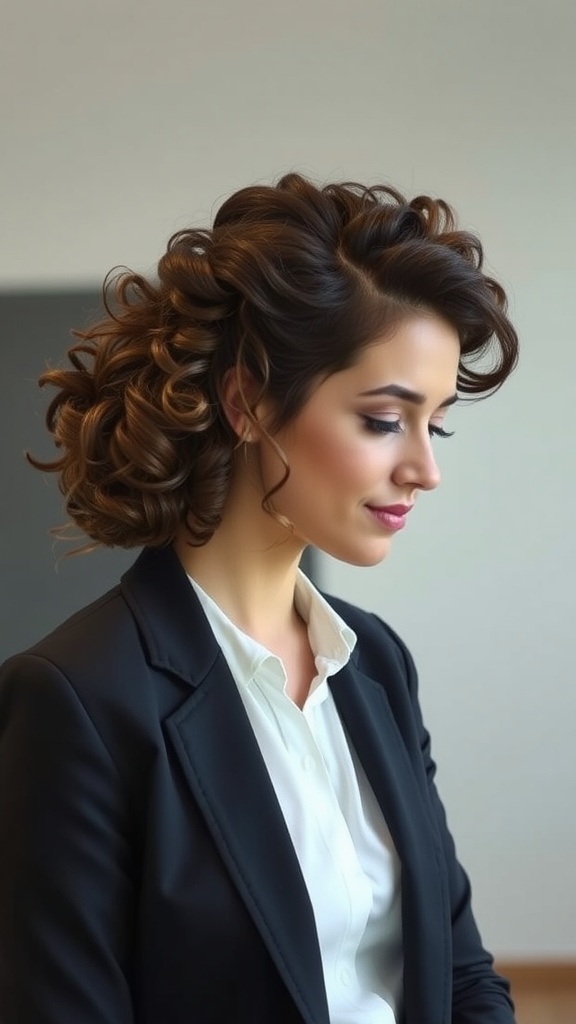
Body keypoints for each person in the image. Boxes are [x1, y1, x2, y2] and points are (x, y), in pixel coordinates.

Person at [0, 172, 519, 1024]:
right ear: (247, 403)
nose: (425, 470)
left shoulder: (376, 663)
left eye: (436, 423)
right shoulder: (78, 700)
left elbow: (462, 977)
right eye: (384, 420)